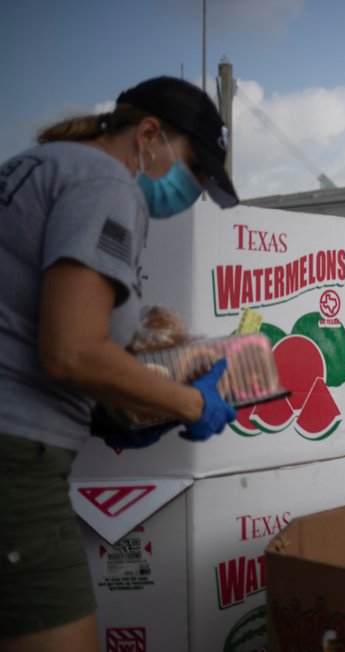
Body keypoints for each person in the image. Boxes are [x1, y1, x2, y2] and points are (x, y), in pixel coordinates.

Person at [0, 76, 240, 651]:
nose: (196, 188)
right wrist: (189, 402)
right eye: (195, 169)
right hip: (15, 459)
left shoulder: (37, 165)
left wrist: (114, 410)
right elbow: (73, 351)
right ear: (149, 134)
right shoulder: (104, 181)